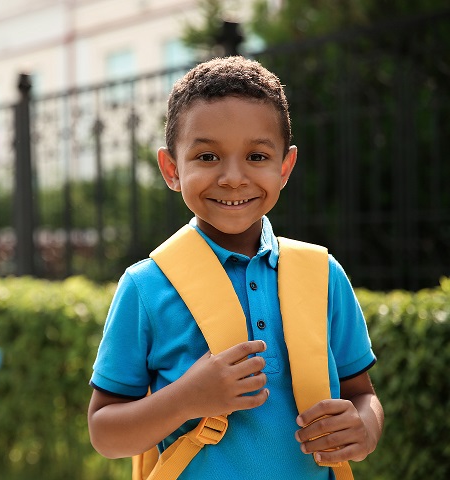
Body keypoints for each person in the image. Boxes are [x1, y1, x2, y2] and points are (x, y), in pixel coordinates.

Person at [87, 56, 384, 479]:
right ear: (172, 169)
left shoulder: (324, 275)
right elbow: (104, 432)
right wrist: (186, 399)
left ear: (285, 167)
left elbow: (362, 396)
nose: (232, 177)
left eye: (257, 156)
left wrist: (365, 427)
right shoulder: (146, 287)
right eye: (207, 156)